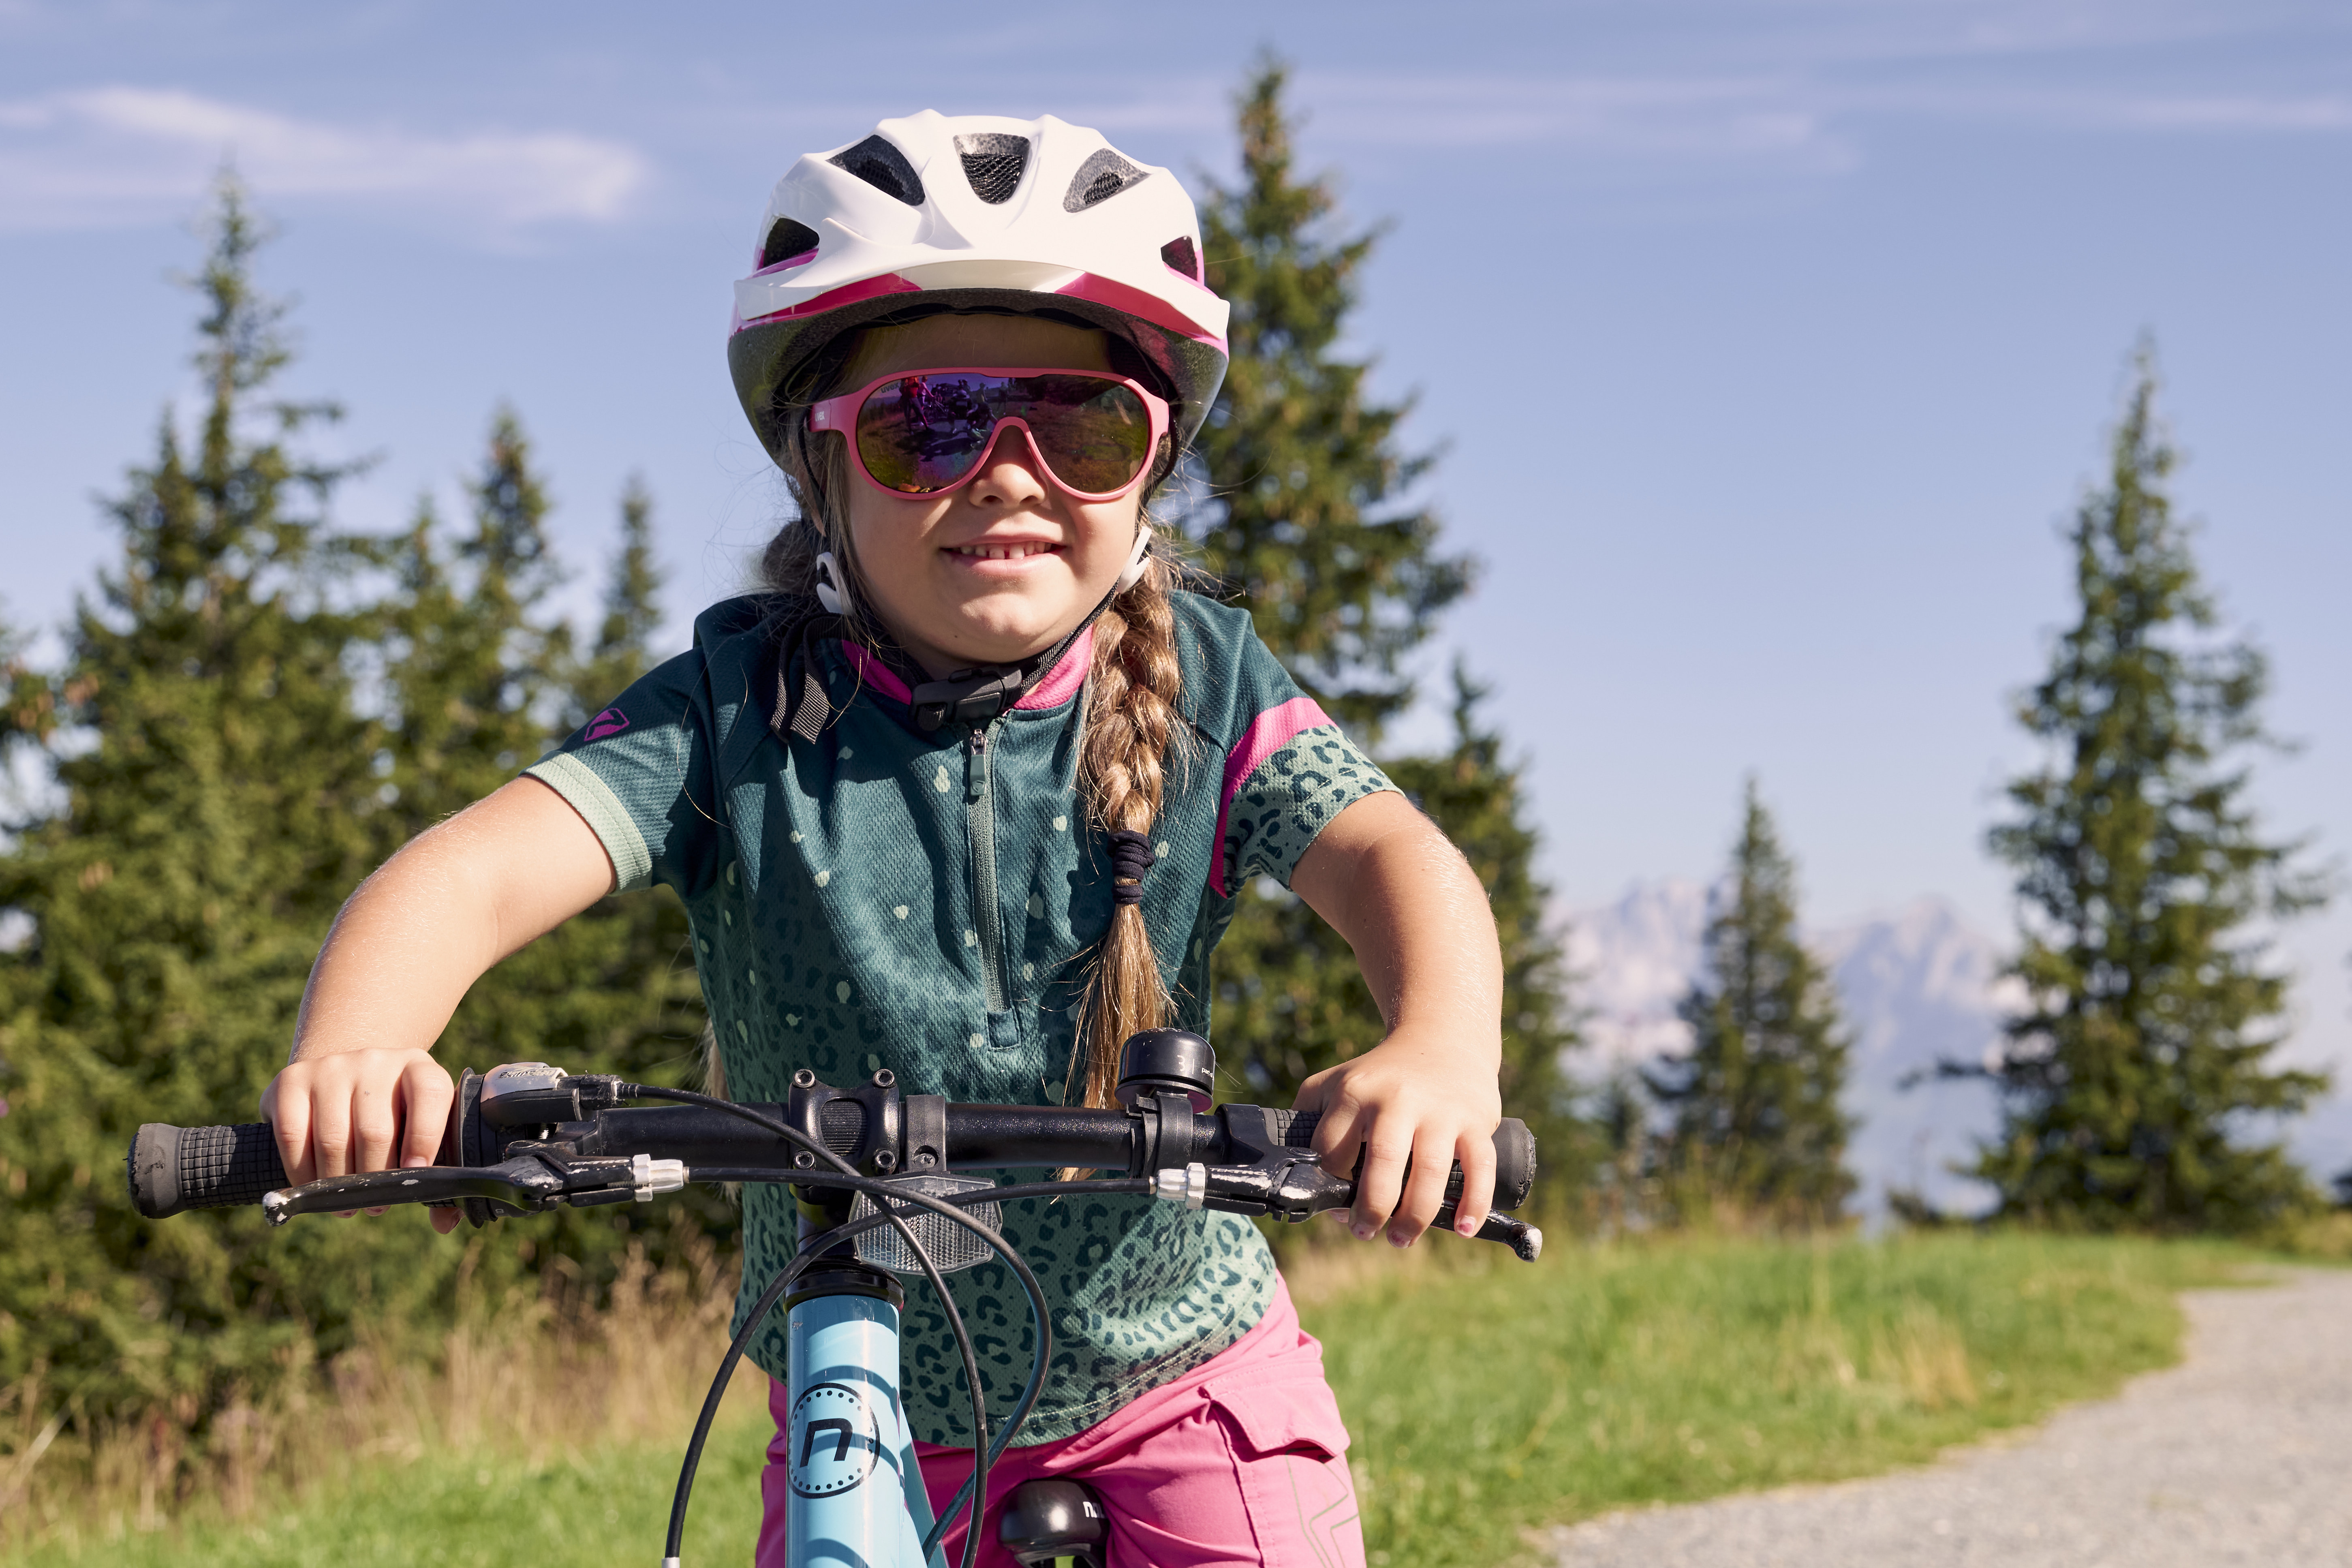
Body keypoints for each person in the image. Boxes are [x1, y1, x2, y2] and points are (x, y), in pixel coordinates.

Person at [261, 111, 1506, 1568]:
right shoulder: (735, 712)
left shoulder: (1209, 686)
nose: (1009, 470)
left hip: (1184, 1376)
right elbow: (468, 875)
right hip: (866, 1397)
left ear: (1150, 465)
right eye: (932, 424)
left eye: (1084, 424)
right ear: (820, 469)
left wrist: (1439, 1047)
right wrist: (361, 1048)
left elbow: (1389, 858)